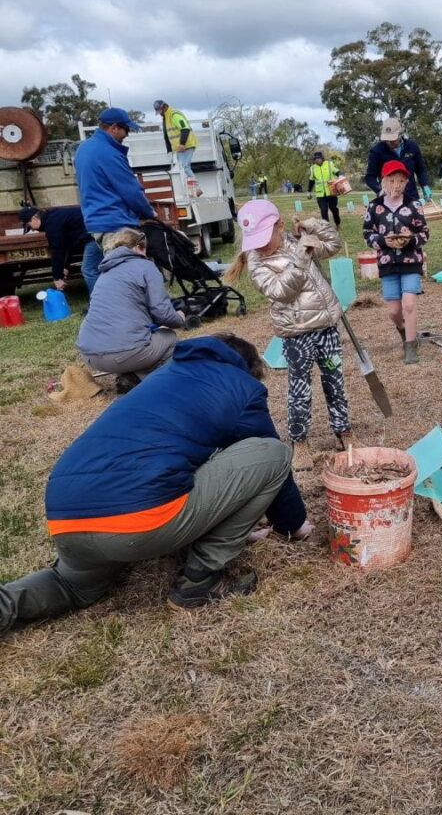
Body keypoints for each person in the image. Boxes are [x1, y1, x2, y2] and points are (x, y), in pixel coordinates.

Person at [0, 333, 313, 632]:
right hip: (139, 520)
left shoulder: (162, 377)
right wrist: (292, 524)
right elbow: (270, 462)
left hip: (66, 517)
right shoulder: (241, 385)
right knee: (271, 452)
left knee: (70, 585)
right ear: (249, 368)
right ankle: (199, 580)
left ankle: (7, 605)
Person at [224, 200, 350, 468]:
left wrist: (313, 226)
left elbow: (333, 245)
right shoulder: (258, 263)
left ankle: (343, 431)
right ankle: (300, 441)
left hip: (326, 326)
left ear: (280, 225)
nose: (259, 244)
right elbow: (281, 291)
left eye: (264, 236)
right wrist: (301, 260)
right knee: (300, 389)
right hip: (297, 333)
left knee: (334, 381)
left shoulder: (296, 241)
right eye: (254, 239)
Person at [77, 228, 186, 390]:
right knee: (170, 338)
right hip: (123, 354)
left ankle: (129, 374)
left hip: (90, 355)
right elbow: (163, 313)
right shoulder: (145, 266)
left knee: (140, 340)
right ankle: (141, 378)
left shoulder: (105, 272)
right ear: (139, 247)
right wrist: (180, 319)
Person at [75, 106, 156, 292]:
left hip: (96, 223)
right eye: (126, 129)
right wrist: (148, 211)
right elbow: (130, 190)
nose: (126, 134)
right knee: (128, 280)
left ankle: (104, 308)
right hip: (115, 223)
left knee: (96, 270)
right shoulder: (109, 153)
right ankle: (134, 317)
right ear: (114, 128)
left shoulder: (83, 149)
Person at [363, 160, 430, 364]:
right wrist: (383, 242)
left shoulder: (413, 205)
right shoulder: (375, 206)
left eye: (401, 181)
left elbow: (424, 232)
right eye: (392, 180)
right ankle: (402, 328)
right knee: (394, 311)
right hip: (387, 262)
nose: (397, 185)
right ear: (384, 182)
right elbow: (367, 233)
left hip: (411, 261)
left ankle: (411, 346)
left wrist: (411, 241)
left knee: (409, 304)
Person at [19, 204, 96, 294]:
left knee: (89, 270)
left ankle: (99, 304)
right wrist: (65, 266)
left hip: (95, 235)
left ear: (34, 219)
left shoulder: (52, 224)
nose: (32, 230)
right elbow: (67, 244)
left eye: (30, 226)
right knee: (95, 269)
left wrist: (57, 277)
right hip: (94, 233)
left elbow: (57, 250)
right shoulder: (52, 217)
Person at [364, 117, 431, 202]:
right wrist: (380, 191)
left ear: (400, 134)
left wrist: (426, 187)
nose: (390, 142)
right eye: (387, 140)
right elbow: (370, 177)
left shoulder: (412, 146)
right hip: (389, 199)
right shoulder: (376, 151)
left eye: (393, 139)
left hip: (411, 196)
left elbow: (421, 170)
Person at [153, 99, 201, 195]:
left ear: (164, 107)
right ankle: (191, 190)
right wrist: (169, 151)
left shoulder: (174, 115)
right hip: (180, 148)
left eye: (160, 111)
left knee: (184, 167)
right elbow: (167, 135)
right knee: (181, 169)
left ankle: (196, 189)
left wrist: (182, 143)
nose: (160, 113)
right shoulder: (166, 117)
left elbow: (185, 128)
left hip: (186, 145)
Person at [308, 150, 342, 226]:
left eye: (319, 158)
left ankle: (338, 224)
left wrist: (340, 175)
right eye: (316, 158)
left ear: (322, 158)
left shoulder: (329, 164)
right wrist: (309, 191)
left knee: (334, 209)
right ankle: (326, 227)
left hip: (331, 192)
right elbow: (311, 180)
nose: (317, 160)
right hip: (320, 194)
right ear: (314, 160)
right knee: (323, 210)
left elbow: (336, 171)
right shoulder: (313, 168)